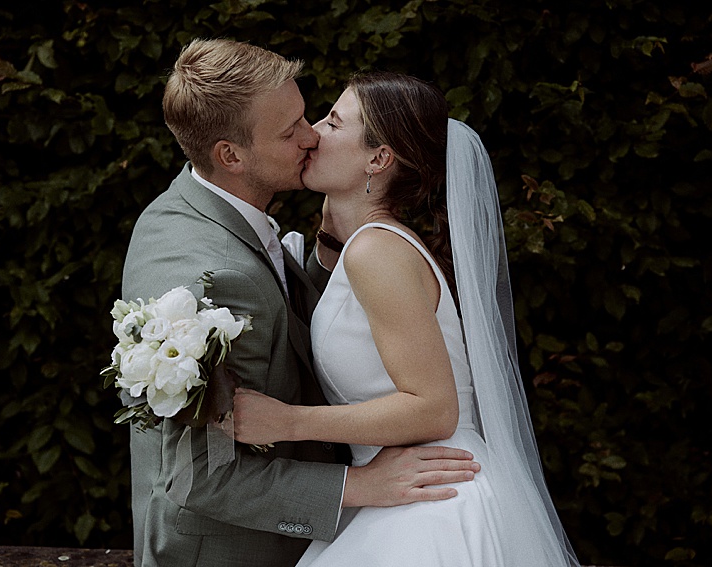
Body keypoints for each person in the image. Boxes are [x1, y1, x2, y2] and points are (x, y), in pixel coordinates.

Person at [122, 40, 480, 567]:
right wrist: (355, 486)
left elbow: (290, 325)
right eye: (290, 131)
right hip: (231, 552)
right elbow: (201, 474)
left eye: (310, 117)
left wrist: (331, 246)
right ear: (231, 155)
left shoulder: (189, 210)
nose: (311, 135)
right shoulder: (207, 278)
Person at [232, 71, 581, 566]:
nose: (312, 133)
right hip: (403, 484)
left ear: (378, 159)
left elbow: (434, 408)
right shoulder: (368, 245)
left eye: (333, 122)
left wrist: (287, 422)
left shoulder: (377, 250)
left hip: (433, 496)